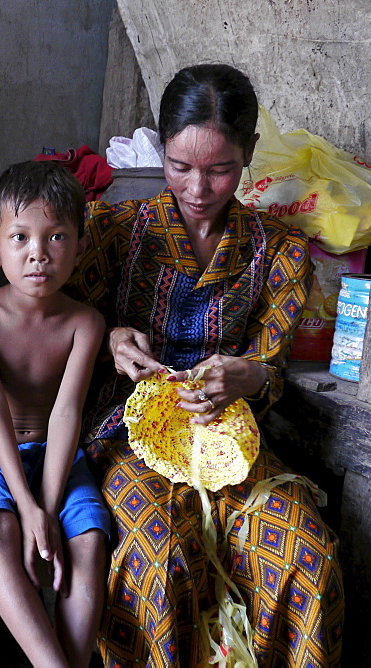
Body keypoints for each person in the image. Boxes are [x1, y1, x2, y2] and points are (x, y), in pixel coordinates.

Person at [64, 64, 344, 666]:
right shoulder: (114, 231)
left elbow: (270, 364)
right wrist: (108, 338)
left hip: (231, 438)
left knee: (303, 549)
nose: (197, 188)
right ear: (161, 148)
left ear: (247, 156)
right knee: (159, 548)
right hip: (126, 434)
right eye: (180, 167)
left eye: (219, 170)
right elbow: (53, 325)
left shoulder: (279, 252)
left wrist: (253, 376)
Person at [0, 161, 113, 667]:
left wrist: (46, 503)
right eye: (19, 237)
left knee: (87, 539)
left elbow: (67, 413)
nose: (38, 253)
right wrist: (25, 505)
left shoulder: (85, 322)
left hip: (59, 459)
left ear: (80, 248)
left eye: (57, 237)